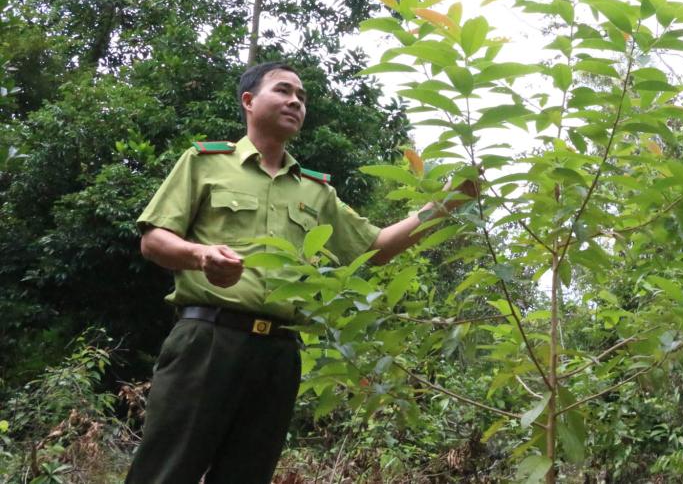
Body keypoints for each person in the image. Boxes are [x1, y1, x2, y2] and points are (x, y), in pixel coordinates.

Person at [125, 61, 476, 483]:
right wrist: (200, 256)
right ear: (249, 101)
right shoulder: (204, 163)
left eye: (302, 97)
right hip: (208, 341)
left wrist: (449, 201)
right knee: (167, 472)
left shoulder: (316, 189)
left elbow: (375, 248)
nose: (295, 101)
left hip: (278, 353)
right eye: (284, 91)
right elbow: (154, 240)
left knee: (245, 475)